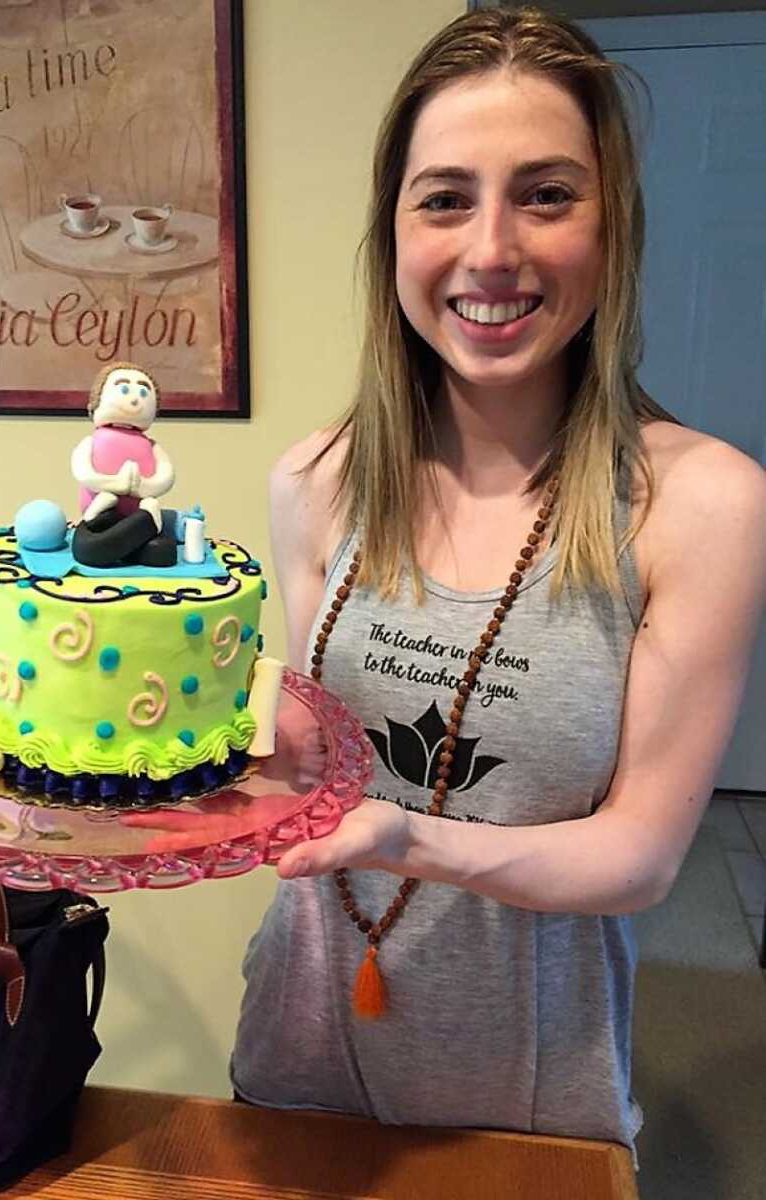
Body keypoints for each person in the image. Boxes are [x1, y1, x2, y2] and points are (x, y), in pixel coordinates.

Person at [136, 4, 766, 1161]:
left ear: (611, 225)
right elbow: (324, 759)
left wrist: (408, 837)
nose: (490, 250)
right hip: (298, 1043)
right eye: (445, 197)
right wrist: (264, 753)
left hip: (532, 1084)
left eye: (545, 194)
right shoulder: (315, 482)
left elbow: (642, 855)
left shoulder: (702, 503)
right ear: (394, 232)